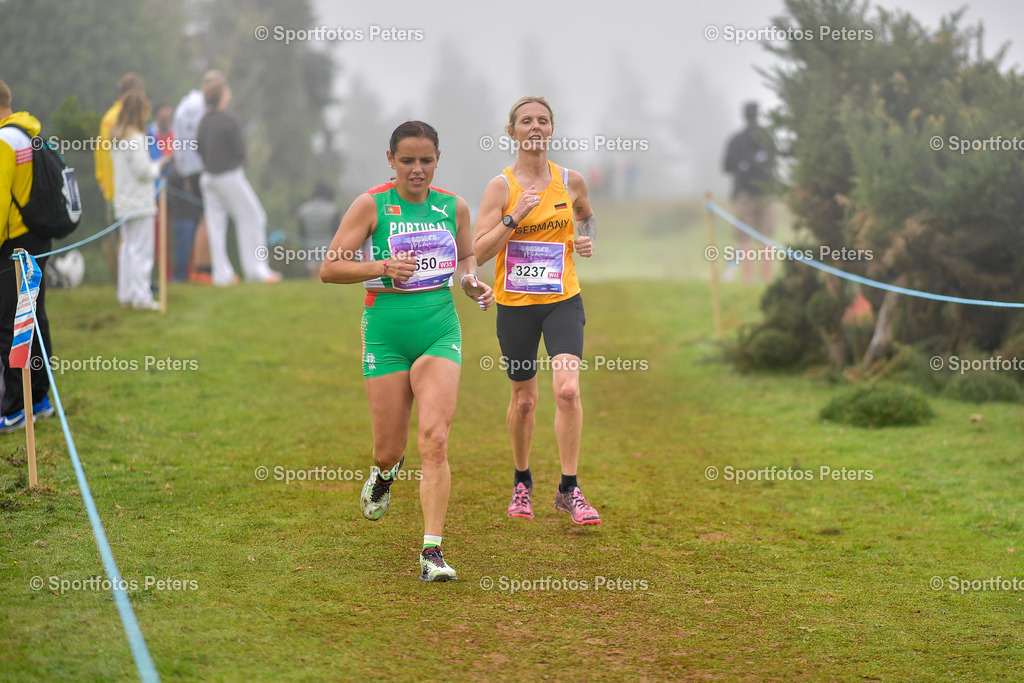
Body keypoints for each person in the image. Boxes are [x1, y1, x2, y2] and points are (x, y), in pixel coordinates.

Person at [320, 120, 494, 582]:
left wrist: (471, 282)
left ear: (438, 160)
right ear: (391, 160)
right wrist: (381, 266)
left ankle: (431, 552)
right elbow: (329, 268)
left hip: (440, 329)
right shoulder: (371, 205)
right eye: (407, 161)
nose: (417, 170)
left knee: (435, 438)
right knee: (388, 449)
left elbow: (465, 258)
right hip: (385, 333)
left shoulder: (453, 207)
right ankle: (385, 473)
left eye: (426, 161)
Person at [473, 96, 601, 526]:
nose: (535, 127)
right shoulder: (501, 187)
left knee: (567, 390)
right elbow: (477, 251)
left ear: (551, 129)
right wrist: (514, 218)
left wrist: (586, 240)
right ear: (511, 132)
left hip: (562, 299)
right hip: (515, 306)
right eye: (526, 121)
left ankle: (569, 489)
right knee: (524, 400)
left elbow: (586, 218)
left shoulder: (571, 180)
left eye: (542, 121)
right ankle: (522, 482)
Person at [0, 79, 55, 432]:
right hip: (38, 238)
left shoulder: (4, 141)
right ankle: (40, 398)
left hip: (14, 243)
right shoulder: (26, 131)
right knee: (34, 316)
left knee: (10, 324)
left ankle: (15, 409)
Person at [196, 75, 280, 285]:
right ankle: (256, 270)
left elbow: (198, 148)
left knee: (216, 225)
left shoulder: (203, 121)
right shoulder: (229, 120)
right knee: (254, 216)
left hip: (207, 178)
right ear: (222, 95)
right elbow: (240, 152)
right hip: (228, 176)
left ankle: (221, 275)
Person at [112, 92, 167, 310]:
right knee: (141, 251)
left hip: (124, 201)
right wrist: (159, 167)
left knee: (127, 248)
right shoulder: (136, 138)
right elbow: (143, 170)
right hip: (139, 202)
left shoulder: (117, 138)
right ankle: (141, 297)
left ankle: (126, 294)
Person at [722, 101, 777, 285]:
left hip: (744, 193)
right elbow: (774, 162)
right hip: (766, 191)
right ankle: (767, 280)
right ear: (758, 114)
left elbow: (726, 166)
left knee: (744, 238)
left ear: (743, 115)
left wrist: (744, 166)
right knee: (765, 237)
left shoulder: (736, 140)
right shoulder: (767, 137)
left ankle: (747, 281)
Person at [172, 72, 219, 284]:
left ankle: (202, 269)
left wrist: (184, 171)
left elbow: (178, 143)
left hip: (190, 170)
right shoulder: (206, 108)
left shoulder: (182, 107)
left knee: (203, 217)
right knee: (209, 217)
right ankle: (205, 268)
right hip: (206, 166)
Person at [95, 72, 145, 211]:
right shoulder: (125, 117)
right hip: (126, 186)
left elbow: (99, 150)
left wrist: (102, 179)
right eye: (141, 92)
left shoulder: (108, 116)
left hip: (112, 185)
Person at [296, 181, 341, 278]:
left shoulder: (303, 210)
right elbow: (337, 232)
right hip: (328, 248)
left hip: (310, 248)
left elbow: (302, 233)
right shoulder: (333, 210)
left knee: (313, 273)